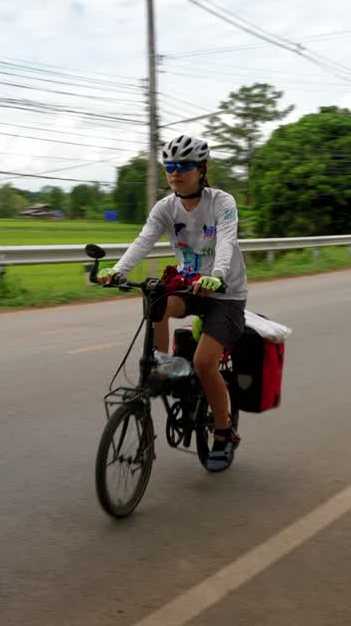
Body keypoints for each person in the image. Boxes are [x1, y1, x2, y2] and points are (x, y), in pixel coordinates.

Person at [97, 134, 249, 472]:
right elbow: (144, 240)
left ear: (201, 169)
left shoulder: (221, 202)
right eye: (170, 168)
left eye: (183, 167)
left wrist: (219, 274)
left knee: (205, 363)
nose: (175, 174)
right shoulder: (166, 207)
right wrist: (118, 271)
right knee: (156, 300)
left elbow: (226, 240)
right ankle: (162, 365)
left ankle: (223, 434)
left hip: (225, 294)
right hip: (190, 287)